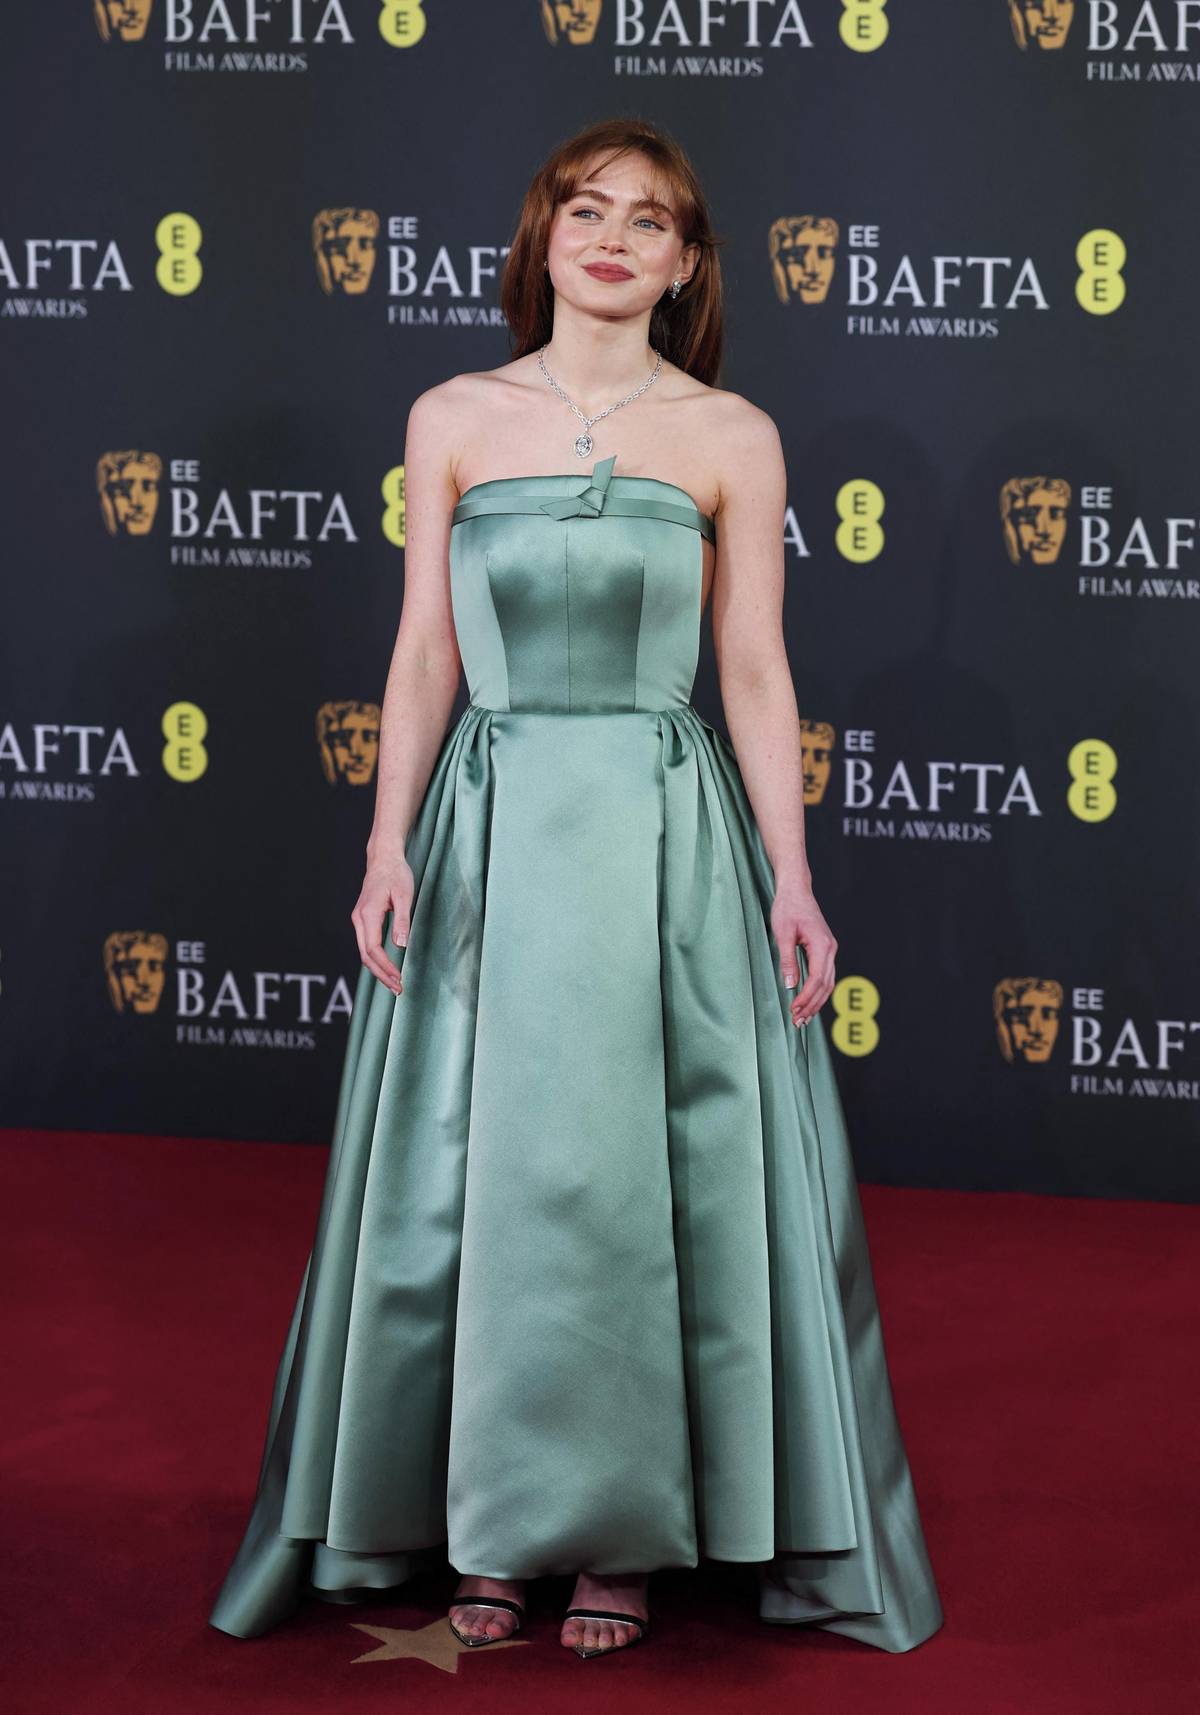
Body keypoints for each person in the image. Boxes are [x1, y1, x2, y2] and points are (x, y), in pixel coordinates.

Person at [207, 116, 944, 1663]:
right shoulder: (452, 415)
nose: (614, 238)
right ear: (544, 236)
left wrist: (794, 879)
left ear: (685, 267)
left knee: (628, 1179)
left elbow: (753, 668)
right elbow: (425, 650)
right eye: (588, 210)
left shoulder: (732, 434)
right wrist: (387, 842)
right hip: (489, 832)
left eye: (650, 221)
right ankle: (488, 1525)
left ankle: (617, 1536)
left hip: (664, 837)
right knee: (482, 1174)